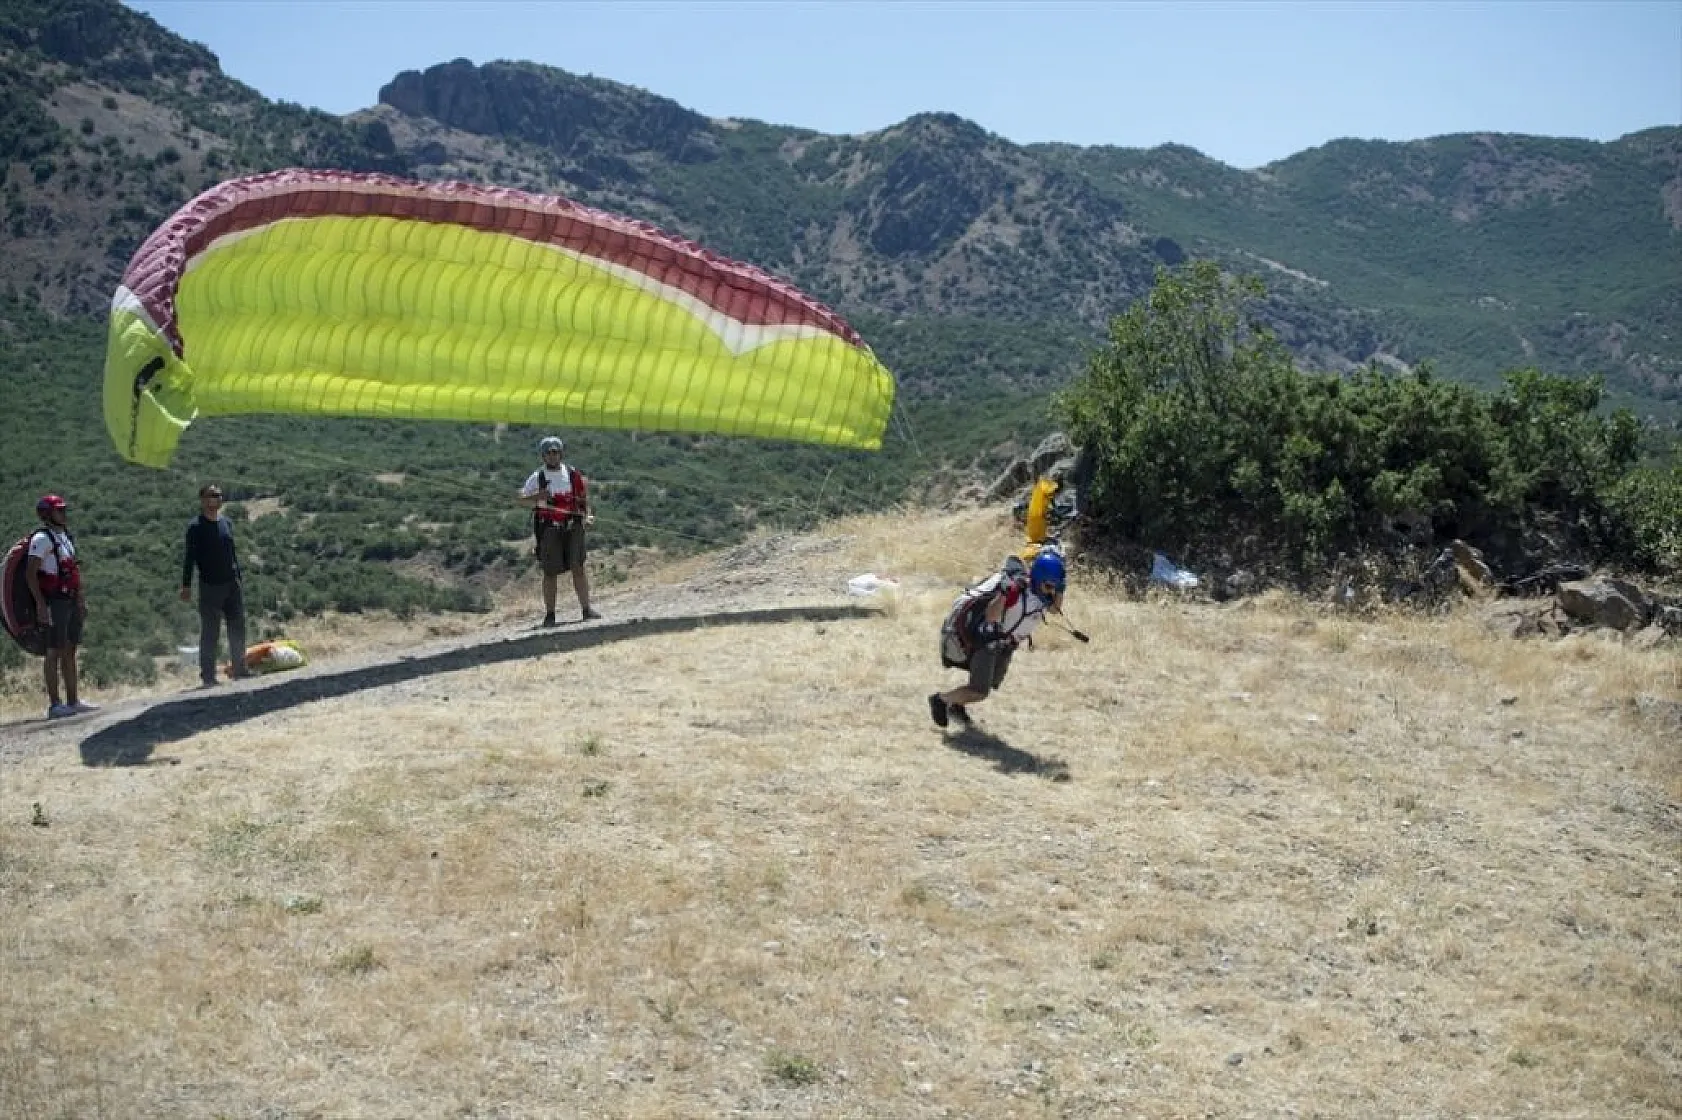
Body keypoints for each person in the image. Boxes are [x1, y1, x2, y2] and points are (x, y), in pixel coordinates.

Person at [929, 548, 1066, 728]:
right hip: (989, 641)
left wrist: (1060, 589)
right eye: (1049, 586)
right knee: (979, 690)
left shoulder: (1045, 595)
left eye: (1056, 588)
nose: (1052, 592)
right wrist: (1004, 593)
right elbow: (991, 615)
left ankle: (957, 705)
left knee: (992, 682)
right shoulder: (1017, 591)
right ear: (1038, 579)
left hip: (1006, 644)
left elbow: (1055, 610)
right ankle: (940, 700)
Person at [25, 494, 95, 719]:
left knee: (70, 648)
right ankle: (55, 705)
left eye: (64, 510)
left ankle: (73, 701)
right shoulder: (42, 539)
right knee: (53, 650)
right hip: (54, 601)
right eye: (59, 510)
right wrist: (40, 605)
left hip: (70, 599)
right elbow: (30, 574)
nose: (64, 514)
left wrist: (81, 599)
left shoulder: (65, 537)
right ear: (47, 514)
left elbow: (74, 570)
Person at [518, 435, 599, 626]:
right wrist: (537, 496)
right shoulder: (537, 477)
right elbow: (520, 499)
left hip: (573, 526)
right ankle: (550, 614)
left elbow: (582, 497)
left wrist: (587, 516)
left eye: (556, 452)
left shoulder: (572, 474)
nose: (553, 456)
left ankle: (586, 609)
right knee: (550, 572)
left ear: (561, 453)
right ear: (543, 456)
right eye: (549, 453)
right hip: (549, 529)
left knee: (578, 567)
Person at [179, 483, 248, 687]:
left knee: (237, 627)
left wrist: (238, 577)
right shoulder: (196, 527)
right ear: (202, 500)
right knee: (211, 631)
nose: (217, 498)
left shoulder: (226, 522)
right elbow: (189, 558)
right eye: (212, 495)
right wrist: (186, 585)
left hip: (231, 583)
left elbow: (232, 551)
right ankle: (208, 676)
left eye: (219, 495)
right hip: (210, 585)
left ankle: (239, 669)